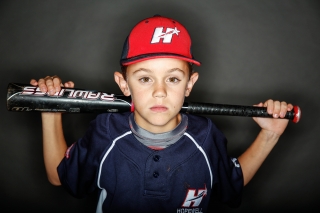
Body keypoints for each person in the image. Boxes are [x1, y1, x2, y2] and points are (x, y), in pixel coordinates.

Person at [30, 15, 293, 213]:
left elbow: (230, 182)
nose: (160, 91)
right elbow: (59, 176)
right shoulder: (105, 131)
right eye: (145, 78)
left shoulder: (205, 136)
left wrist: (269, 134)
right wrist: (51, 111)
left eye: (173, 79)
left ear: (190, 84)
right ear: (124, 85)